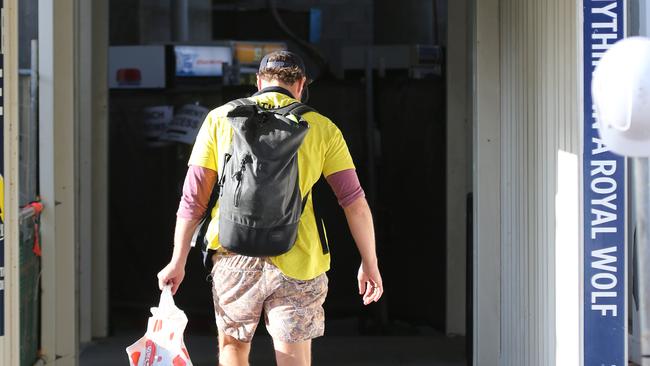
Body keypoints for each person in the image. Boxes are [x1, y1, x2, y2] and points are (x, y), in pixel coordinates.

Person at [157, 50, 383, 366]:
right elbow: (353, 201)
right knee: (293, 356)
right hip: (300, 258)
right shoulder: (321, 128)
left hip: (234, 255)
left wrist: (176, 260)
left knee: (233, 348)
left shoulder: (219, 119)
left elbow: (193, 198)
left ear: (260, 81)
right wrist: (369, 261)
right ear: (302, 84)